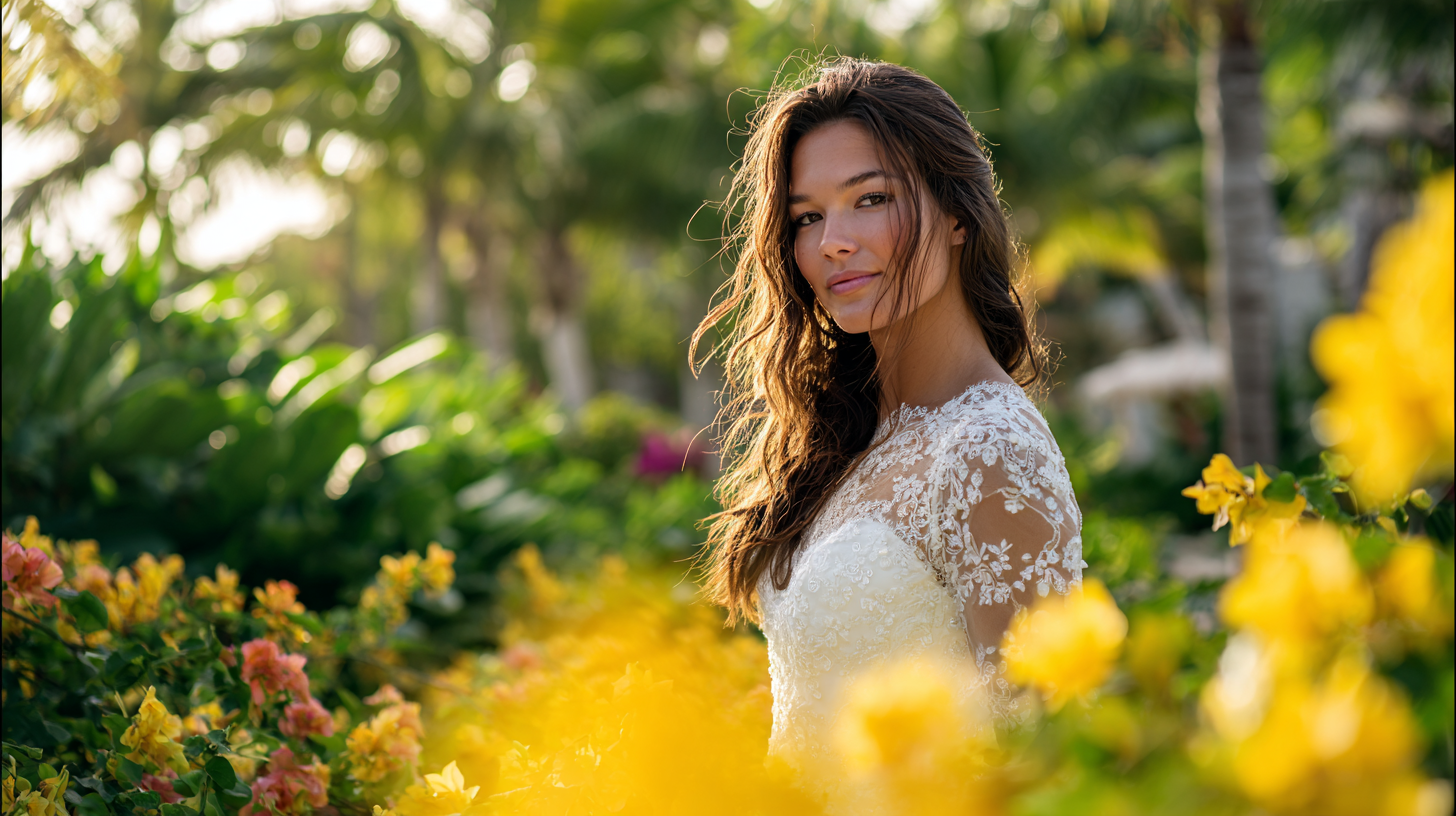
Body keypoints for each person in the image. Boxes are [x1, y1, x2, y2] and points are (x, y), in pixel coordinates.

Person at [692, 57, 1086, 785]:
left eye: (869, 200)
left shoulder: (990, 451)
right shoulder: (852, 437)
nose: (831, 242)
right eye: (807, 217)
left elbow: (1039, 758)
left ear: (959, 213)